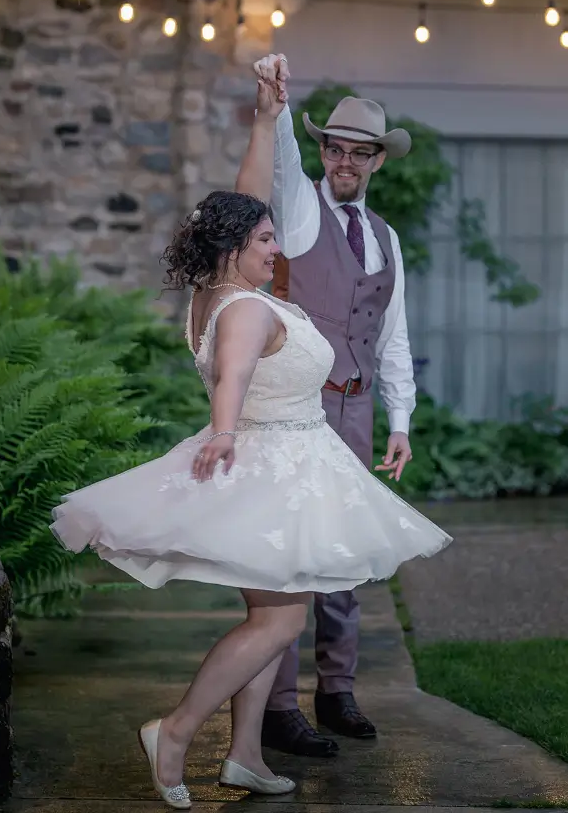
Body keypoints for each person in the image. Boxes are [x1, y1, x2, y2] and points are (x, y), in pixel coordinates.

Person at [49, 73, 451, 810]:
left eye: (271, 235)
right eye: (265, 238)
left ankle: (242, 756)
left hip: (298, 450)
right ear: (238, 247)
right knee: (280, 615)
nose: (276, 245)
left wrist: (266, 120)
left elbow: (251, 202)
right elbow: (231, 373)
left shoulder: (231, 287)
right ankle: (175, 731)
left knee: (279, 609)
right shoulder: (240, 307)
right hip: (268, 457)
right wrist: (226, 431)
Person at [238, 52, 417, 758]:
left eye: (358, 153)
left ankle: (335, 690)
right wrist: (275, 106)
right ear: (321, 150)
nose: (343, 162)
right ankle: (279, 707)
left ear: (376, 161)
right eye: (333, 148)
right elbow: (279, 163)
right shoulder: (298, 211)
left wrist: (398, 419)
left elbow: (393, 335)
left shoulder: (385, 238)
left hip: (356, 407)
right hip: (296, 410)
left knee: (343, 552)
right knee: (290, 553)